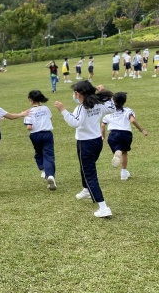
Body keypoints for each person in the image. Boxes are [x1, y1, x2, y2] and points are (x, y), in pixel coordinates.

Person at [53, 81, 115, 218]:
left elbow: (75, 122)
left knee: (90, 174)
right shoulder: (99, 104)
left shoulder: (81, 108)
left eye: (74, 92)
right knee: (85, 167)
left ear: (79, 94)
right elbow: (112, 107)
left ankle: (103, 207)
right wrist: (103, 94)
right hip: (97, 141)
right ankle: (86, 190)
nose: (73, 95)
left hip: (86, 143)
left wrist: (63, 110)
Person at [101, 92, 149, 181]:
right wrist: (141, 130)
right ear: (125, 101)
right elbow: (133, 120)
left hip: (113, 135)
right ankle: (123, 173)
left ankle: (117, 152)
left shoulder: (109, 112)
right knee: (124, 153)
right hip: (125, 134)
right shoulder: (128, 110)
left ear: (113, 101)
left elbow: (103, 125)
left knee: (118, 150)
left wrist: (103, 136)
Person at [24, 90, 56, 190]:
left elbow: (29, 127)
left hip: (35, 135)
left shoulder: (29, 112)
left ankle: (43, 169)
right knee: (48, 155)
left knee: (38, 153)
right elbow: (49, 118)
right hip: (47, 134)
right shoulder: (46, 108)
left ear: (31, 100)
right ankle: (50, 175)